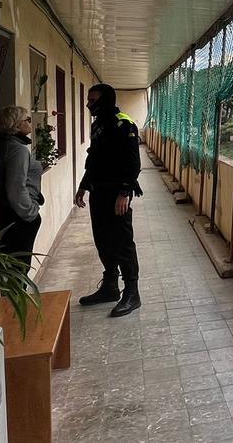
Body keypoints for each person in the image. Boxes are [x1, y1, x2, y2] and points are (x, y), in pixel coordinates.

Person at [74, 83, 143, 317]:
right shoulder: (99, 125)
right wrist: (84, 186)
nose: (88, 104)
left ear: (105, 100)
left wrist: (124, 193)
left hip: (117, 195)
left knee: (122, 242)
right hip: (99, 192)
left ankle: (132, 293)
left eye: (92, 100)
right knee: (103, 240)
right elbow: (94, 159)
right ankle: (110, 286)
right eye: (88, 100)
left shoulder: (124, 124)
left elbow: (133, 163)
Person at [0, 105, 44, 273]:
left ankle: (13, 299)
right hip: (20, 216)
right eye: (27, 120)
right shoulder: (17, 150)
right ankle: (16, 299)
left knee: (12, 266)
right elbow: (16, 187)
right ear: (16, 125)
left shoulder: (7, 144)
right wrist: (31, 213)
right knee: (19, 267)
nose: (30, 123)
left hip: (10, 214)